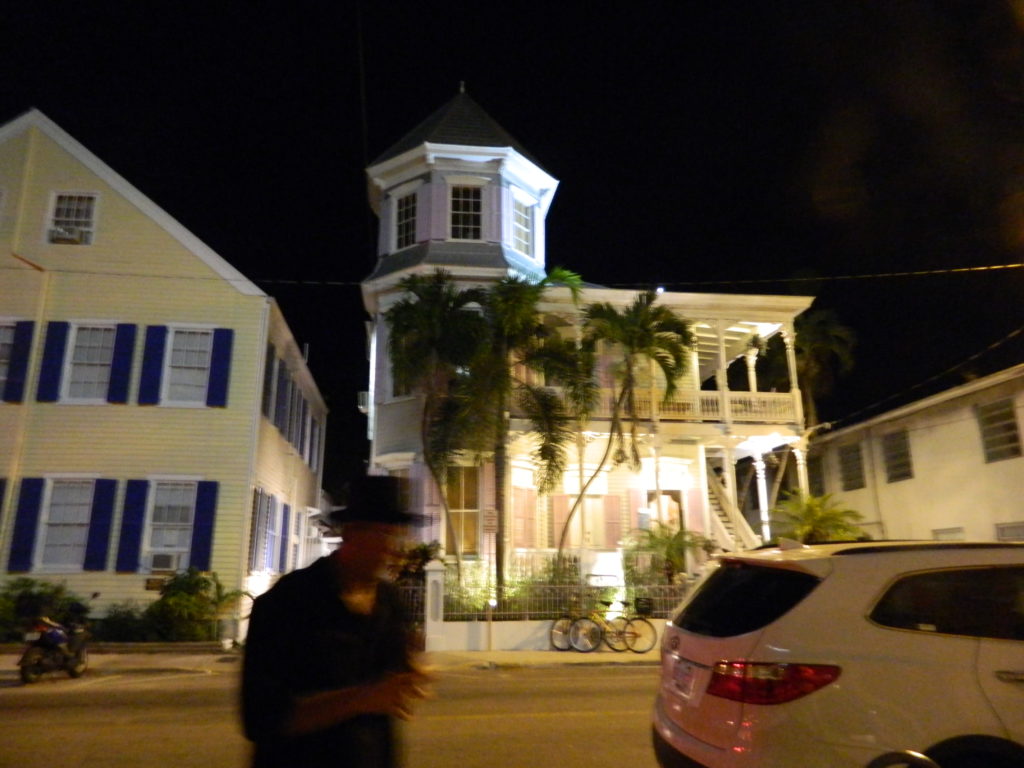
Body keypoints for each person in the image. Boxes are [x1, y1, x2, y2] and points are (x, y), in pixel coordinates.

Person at [242, 475, 433, 768]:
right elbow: (262, 719)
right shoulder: (288, 603)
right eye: (384, 535)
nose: (395, 549)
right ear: (350, 533)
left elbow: (389, 687)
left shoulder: (389, 602)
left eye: (399, 536)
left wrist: (408, 673)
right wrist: (362, 698)